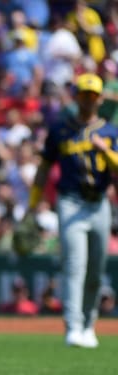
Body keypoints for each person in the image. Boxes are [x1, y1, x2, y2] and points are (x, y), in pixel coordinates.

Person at [27, 73, 118, 348]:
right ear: (76, 96)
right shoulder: (60, 130)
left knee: (95, 269)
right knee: (74, 264)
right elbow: (44, 169)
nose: (88, 100)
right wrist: (32, 205)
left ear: (100, 98)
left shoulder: (110, 131)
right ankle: (73, 326)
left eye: (93, 95)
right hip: (70, 202)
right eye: (83, 94)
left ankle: (89, 325)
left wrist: (104, 151)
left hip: (99, 203)